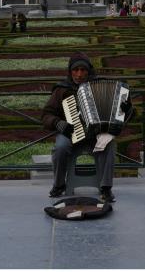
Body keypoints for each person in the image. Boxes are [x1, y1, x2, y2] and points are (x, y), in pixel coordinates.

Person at [41, 52, 133, 203]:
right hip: (70, 133)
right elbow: (46, 115)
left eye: (83, 70)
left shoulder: (100, 85)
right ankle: (58, 185)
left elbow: (125, 114)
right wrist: (58, 123)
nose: (79, 74)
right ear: (70, 72)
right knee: (60, 148)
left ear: (89, 71)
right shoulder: (62, 90)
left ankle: (106, 188)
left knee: (109, 145)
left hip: (96, 135)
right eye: (75, 70)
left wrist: (127, 109)